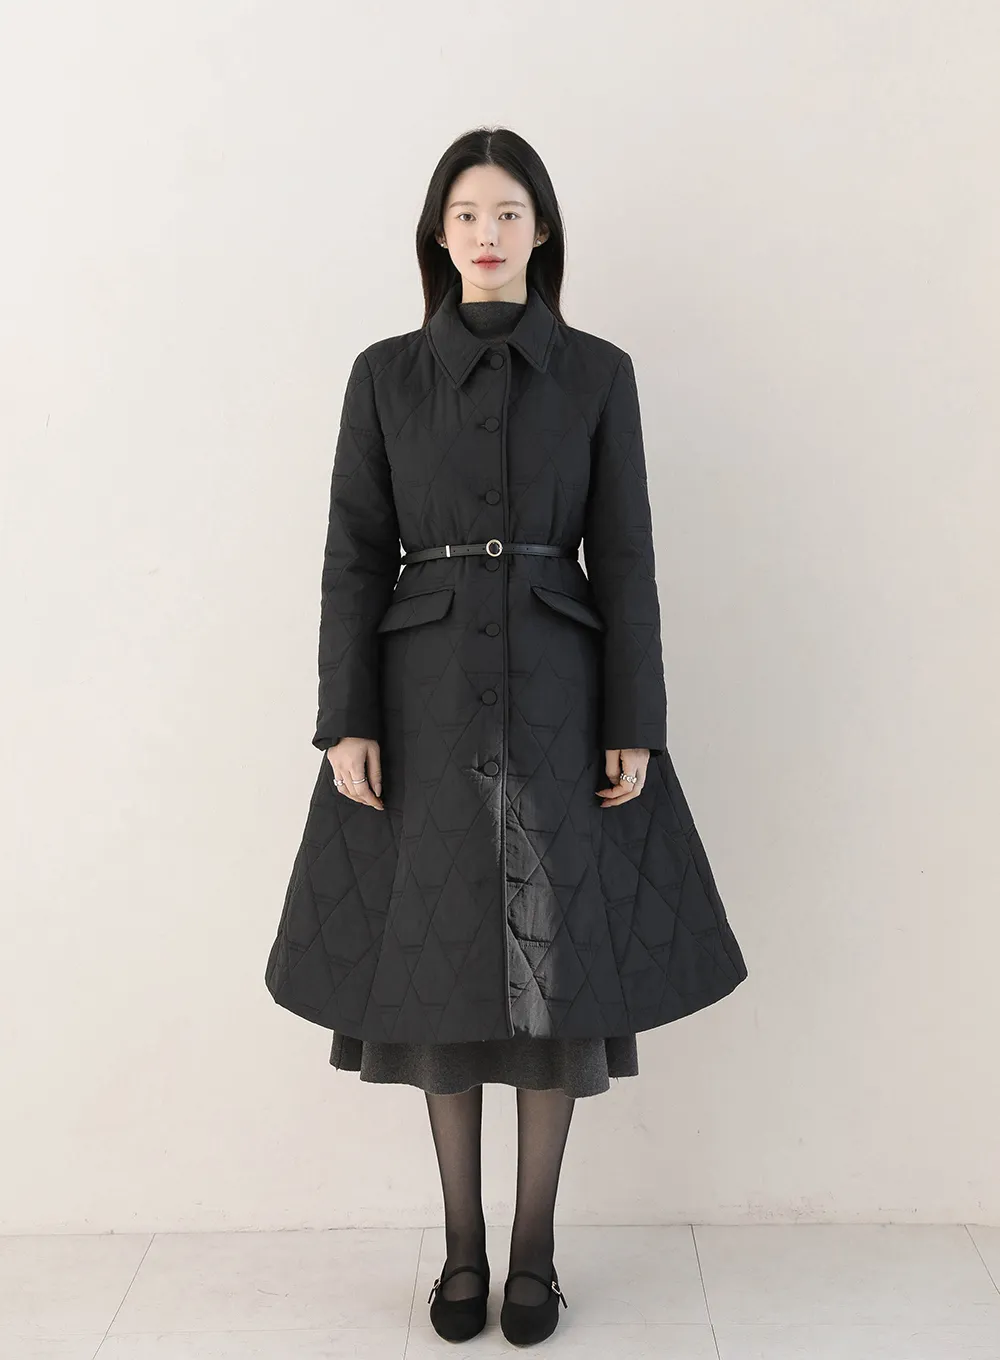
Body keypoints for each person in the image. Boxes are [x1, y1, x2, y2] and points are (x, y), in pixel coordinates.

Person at [265, 125, 748, 1346]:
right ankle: (462, 1250)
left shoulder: (597, 373)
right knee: (436, 967)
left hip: (559, 693)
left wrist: (635, 718)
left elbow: (625, 554)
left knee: (553, 965)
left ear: (543, 231)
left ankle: (534, 1253)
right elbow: (351, 554)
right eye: (467, 214)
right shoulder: (384, 374)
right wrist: (345, 718)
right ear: (438, 234)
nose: (487, 233)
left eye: (509, 213)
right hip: (419, 696)